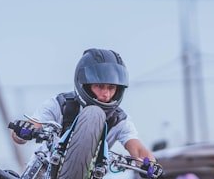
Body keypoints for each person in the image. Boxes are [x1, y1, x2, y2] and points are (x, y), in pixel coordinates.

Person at [9, 48, 157, 166]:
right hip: (43, 167)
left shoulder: (120, 120)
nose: (105, 94)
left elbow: (136, 147)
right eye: (99, 86)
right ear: (85, 84)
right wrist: (24, 130)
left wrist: (150, 163)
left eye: (111, 87)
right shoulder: (60, 104)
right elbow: (35, 123)